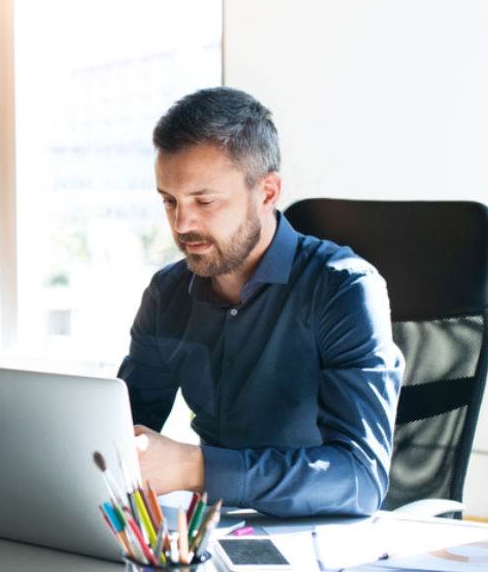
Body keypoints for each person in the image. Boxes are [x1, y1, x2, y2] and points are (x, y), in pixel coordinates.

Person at [118, 87, 404, 517]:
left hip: (325, 537)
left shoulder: (344, 290)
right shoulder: (166, 295)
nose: (182, 223)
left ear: (268, 193)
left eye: (204, 200)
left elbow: (360, 479)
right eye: (169, 201)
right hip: (214, 534)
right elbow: (118, 433)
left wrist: (195, 467)